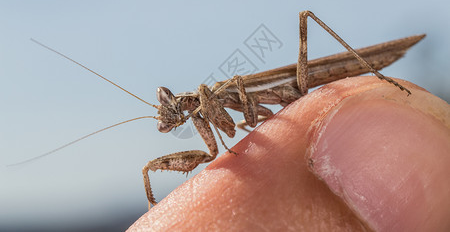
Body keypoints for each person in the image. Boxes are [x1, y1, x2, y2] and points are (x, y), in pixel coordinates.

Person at [128, 76, 450, 231]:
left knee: (304, 16)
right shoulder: (204, 108)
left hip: (294, 85)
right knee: (150, 167)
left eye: (169, 118)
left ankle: (374, 70)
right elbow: (217, 145)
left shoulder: (209, 97)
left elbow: (237, 94)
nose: (169, 124)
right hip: (284, 101)